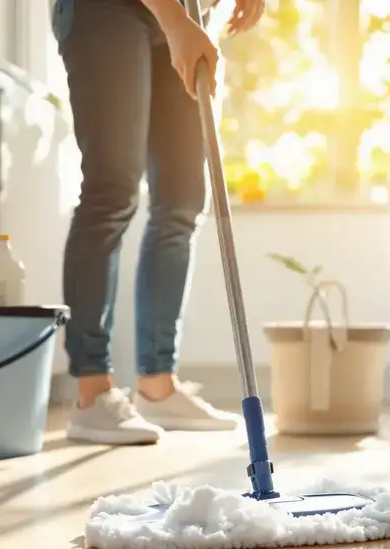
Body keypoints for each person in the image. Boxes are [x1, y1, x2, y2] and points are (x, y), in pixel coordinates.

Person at [51, 0, 263, 444]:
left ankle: (158, 386)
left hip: (186, 13)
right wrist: (176, 22)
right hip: (107, 10)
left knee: (182, 203)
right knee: (112, 191)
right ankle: (92, 394)